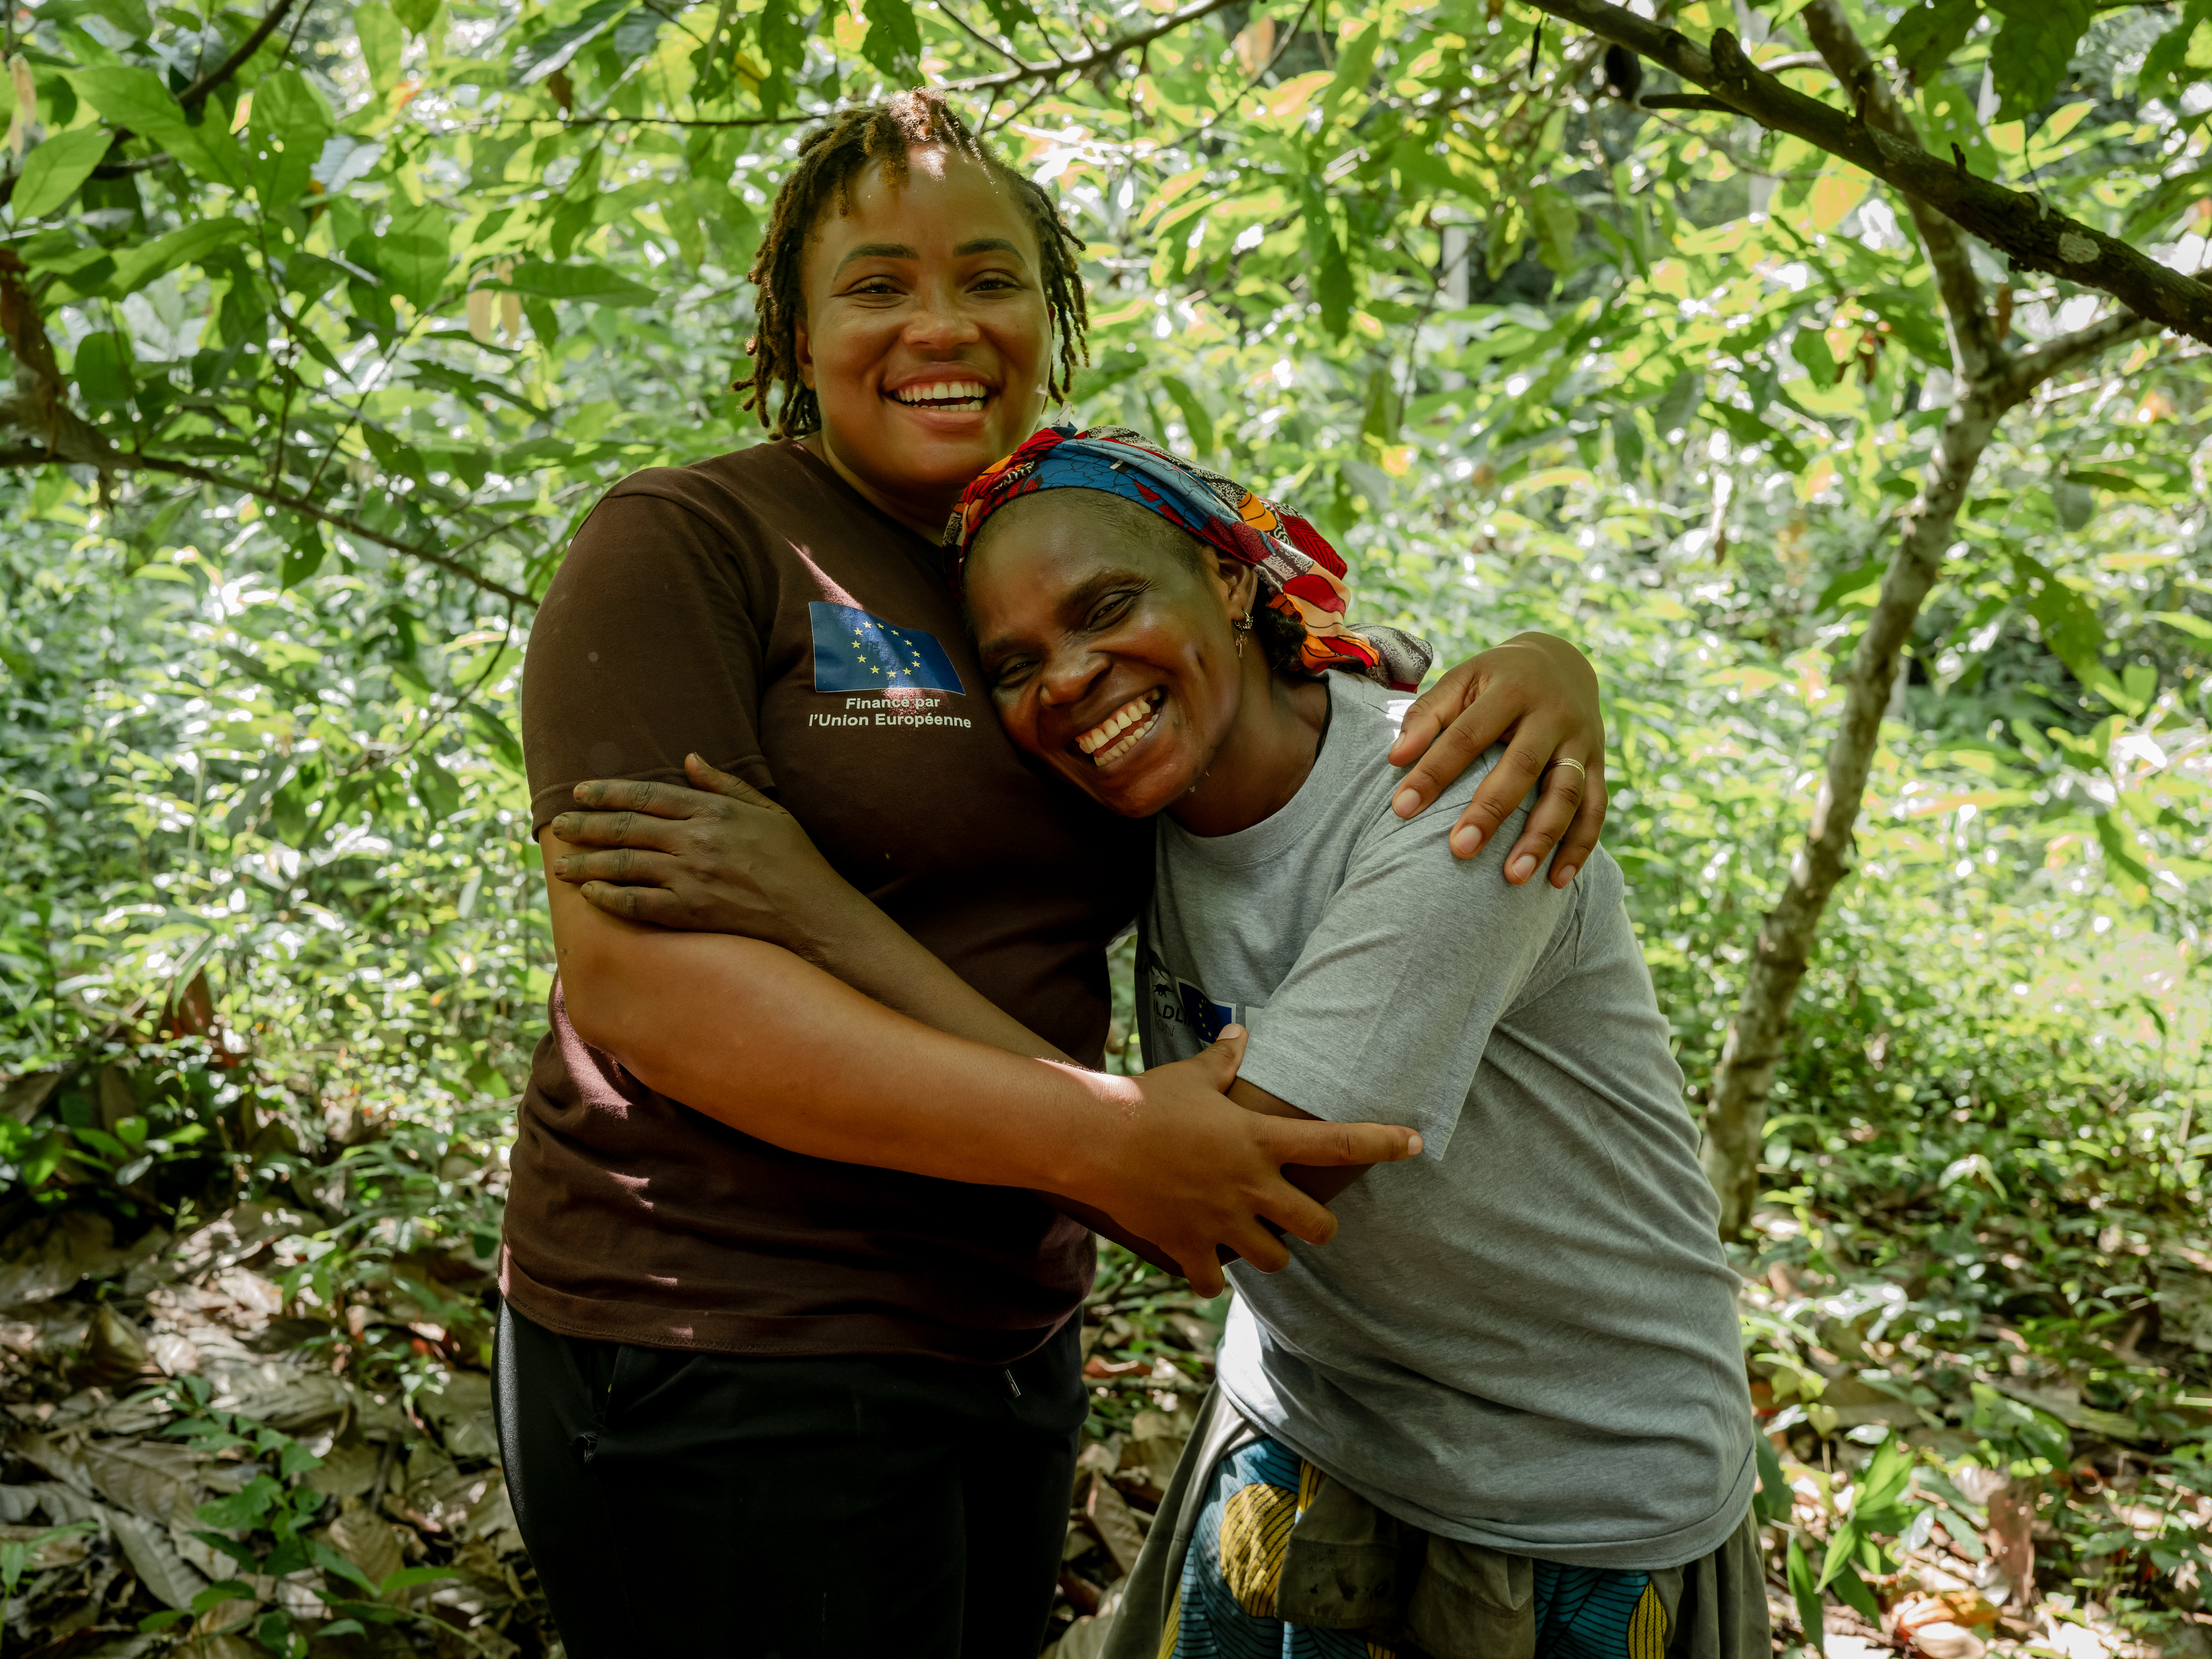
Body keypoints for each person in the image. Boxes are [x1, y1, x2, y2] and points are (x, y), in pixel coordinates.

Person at [501, 93, 1618, 1658]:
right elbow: (648, 992)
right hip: (724, 1332)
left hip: (1004, 1328)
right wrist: (1103, 1146)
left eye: (989, 277)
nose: (938, 325)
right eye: (878, 285)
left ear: (1051, 314)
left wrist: (1547, 665)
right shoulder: (693, 540)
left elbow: (1287, 695)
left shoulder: (1041, 552)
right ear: (793, 330)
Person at [559, 424, 1766, 1658]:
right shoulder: (1144, 801)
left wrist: (819, 914)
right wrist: (1545, 657)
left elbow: (1224, 1190)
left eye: (1108, 605)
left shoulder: (1458, 802)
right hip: (1308, 1427)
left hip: (1575, 1491)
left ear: (1234, 580)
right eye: (1016, 662)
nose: (1070, 679)